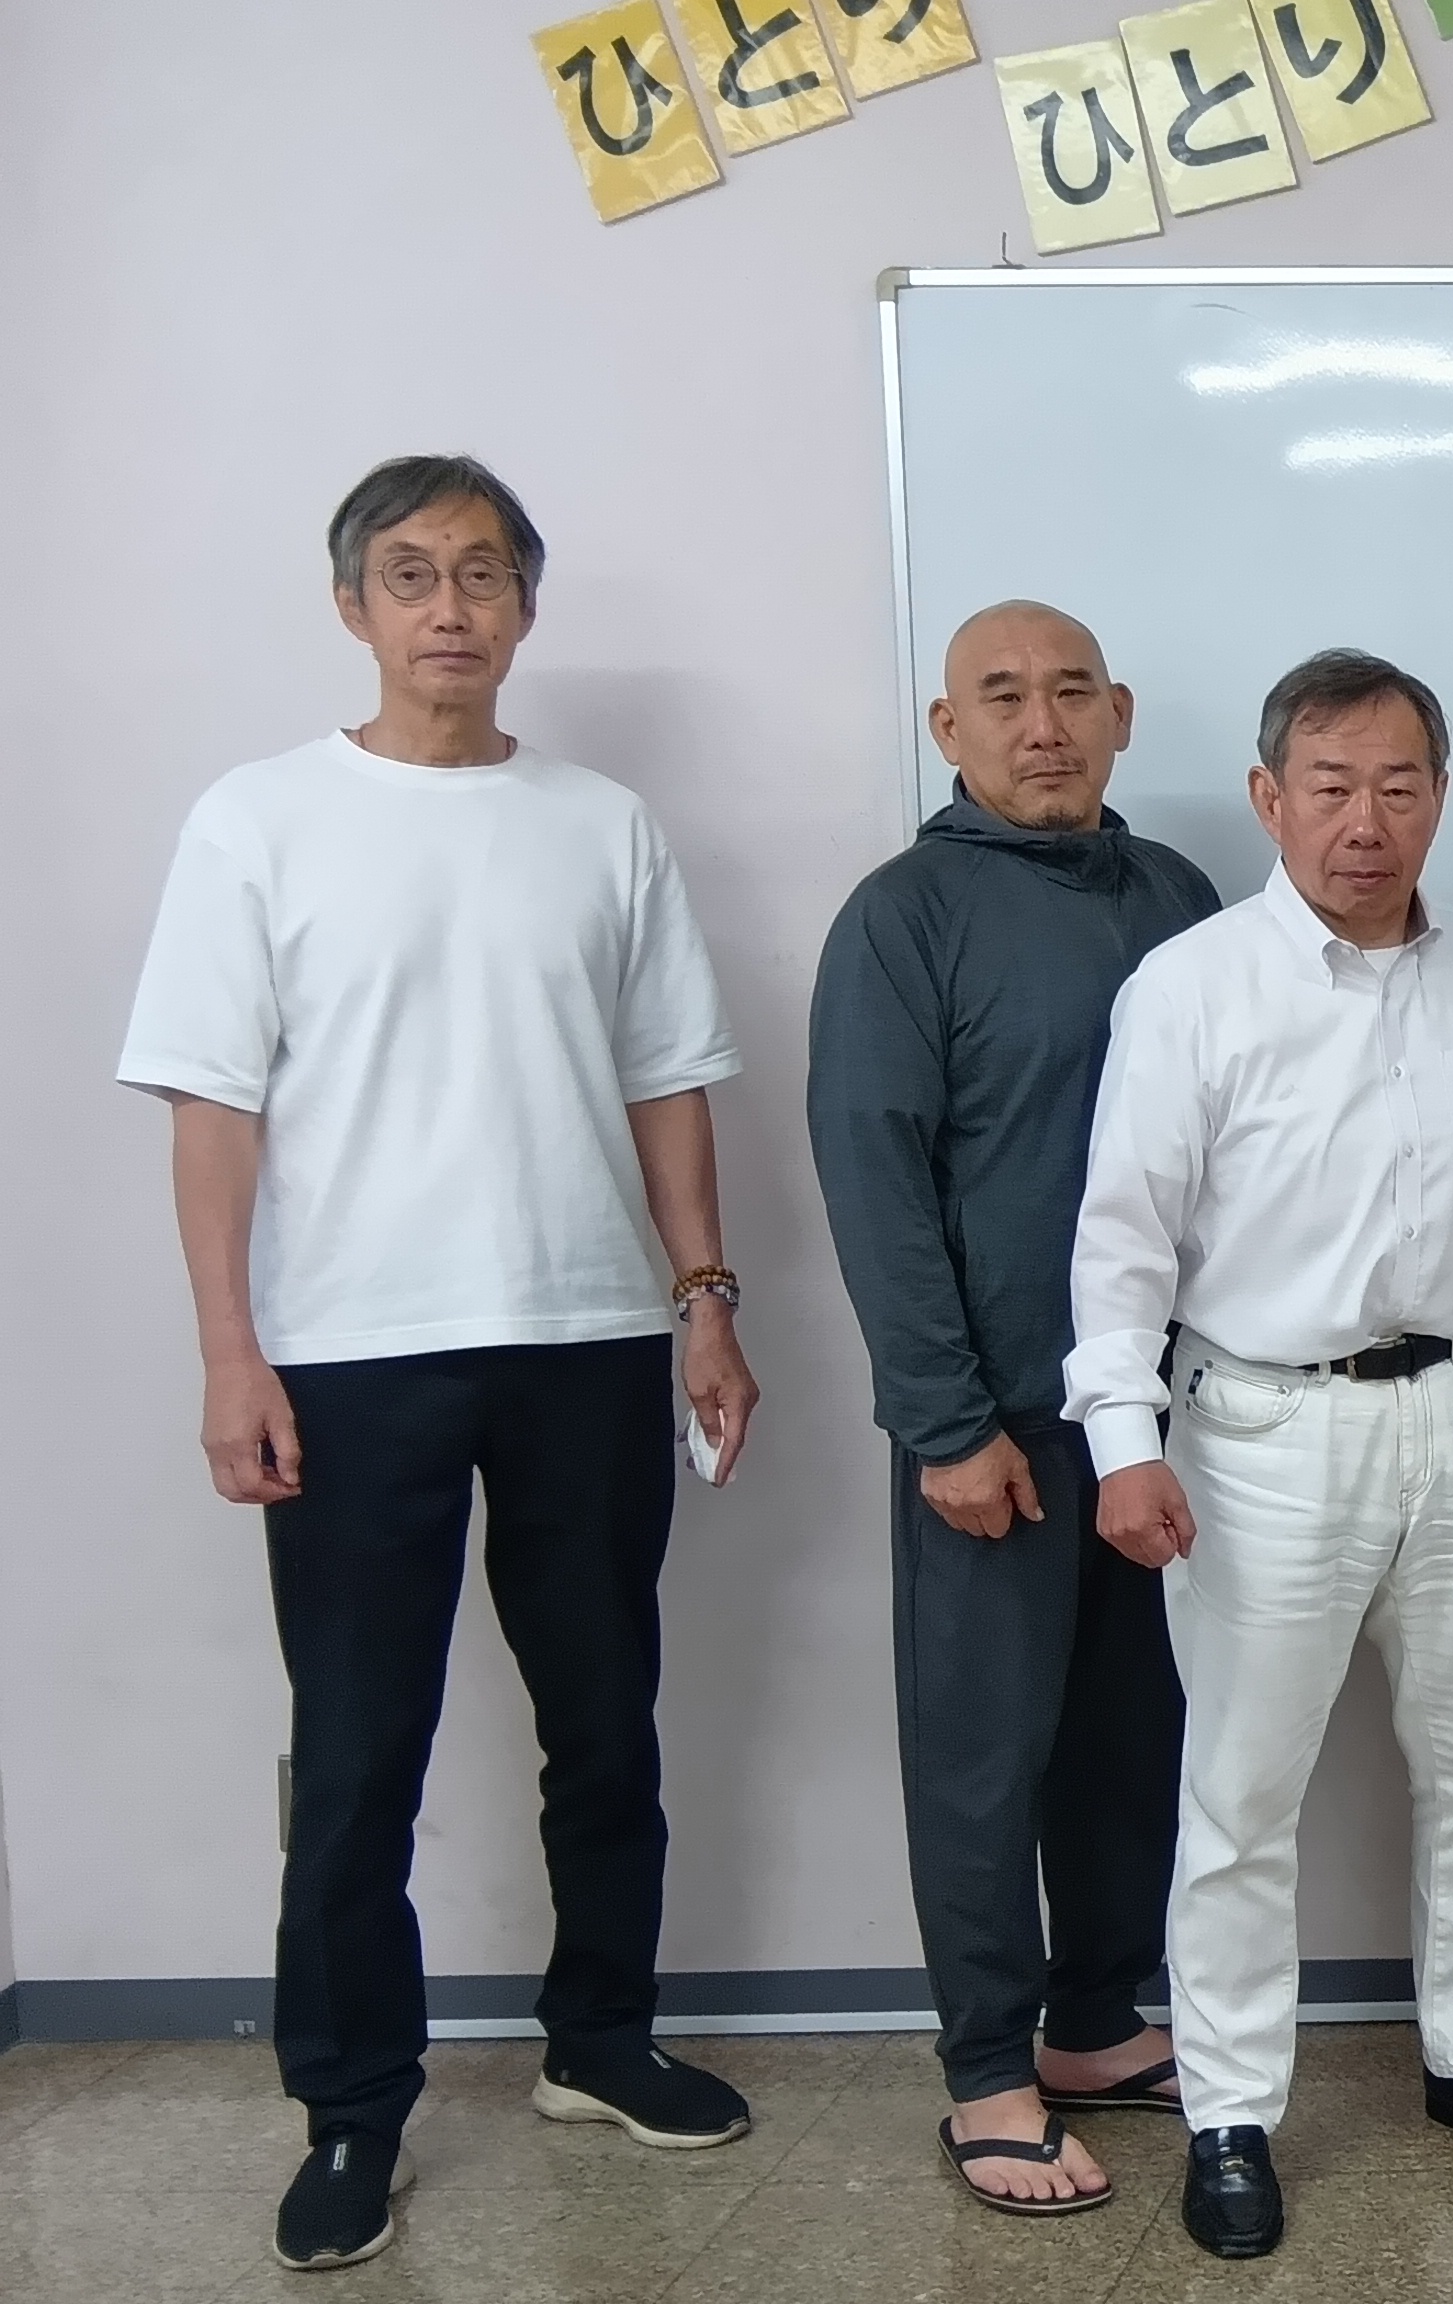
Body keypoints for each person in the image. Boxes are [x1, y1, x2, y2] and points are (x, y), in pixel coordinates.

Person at [116, 456, 762, 2273]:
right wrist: (230, 1354)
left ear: (526, 605)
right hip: (349, 1355)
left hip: (587, 1336)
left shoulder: (603, 825)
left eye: (484, 573)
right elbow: (213, 1111)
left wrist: (705, 1298)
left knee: (605, 1722)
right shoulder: (258, 820)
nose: (451, 607)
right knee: (355, 1754)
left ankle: (600, 2040)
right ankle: (351, 2105)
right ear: (353, 607)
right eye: (411, 575)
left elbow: (666, 1078)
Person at [1065, 649, 1453, 2260]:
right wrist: (1122, 1441)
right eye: (1330, 786)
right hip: (1258, 1429)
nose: (1364, 822)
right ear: (1269, 798)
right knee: (1244, 1791)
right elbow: (1122, 1238)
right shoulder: (1191, 987)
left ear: (1440, 798)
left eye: (1398, 786)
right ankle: (1231, 2109)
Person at [806, 602, 1220, 2216]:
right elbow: (873, 1171)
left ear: (1120, 713)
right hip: (999, 1424)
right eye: (1002, 698)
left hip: (1158, 1417)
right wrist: (944, 1422)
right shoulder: (903, 917)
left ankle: (1095, 2023)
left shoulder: (1178, 896)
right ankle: (987, 2071)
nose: (1041, 726)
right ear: (948, 729)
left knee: (1131, 1737)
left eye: (1070, 694)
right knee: (985, 1757)